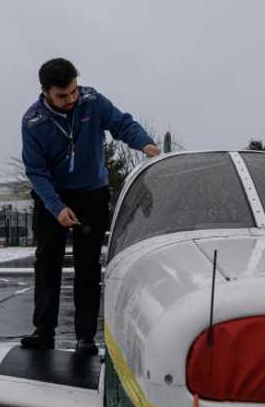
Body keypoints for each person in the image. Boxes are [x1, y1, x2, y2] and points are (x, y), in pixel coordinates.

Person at [20, 58, 160, 355]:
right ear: (45, 91)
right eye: (62, 95)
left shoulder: (92, 100)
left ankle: (86, 337)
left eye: (73, 91)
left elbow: (121, 123)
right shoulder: (33, 122)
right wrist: (56, 207)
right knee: (47, 264)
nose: (71, 99)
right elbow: (36, 172)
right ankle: (44, 330)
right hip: (52, 198)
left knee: (88, 266)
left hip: (91, 196)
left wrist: (145, 144)